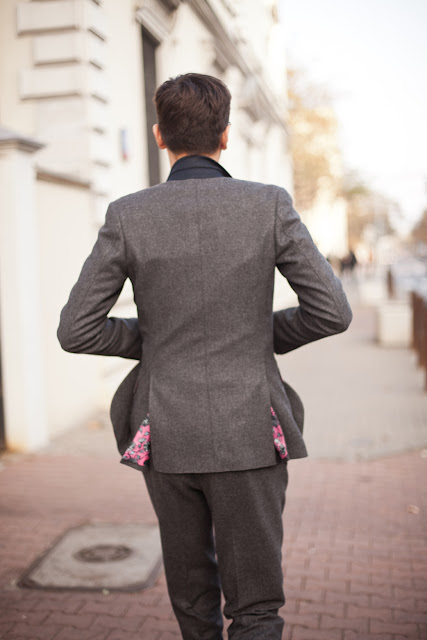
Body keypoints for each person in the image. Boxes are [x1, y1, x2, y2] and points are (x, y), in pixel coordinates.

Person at [57, 72, 352, 639]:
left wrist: (158, 339)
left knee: (193, 601)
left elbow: (77, 330)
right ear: (225, 135)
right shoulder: (268, 204)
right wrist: (251, 335)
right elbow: (331, 312)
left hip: (167, 432)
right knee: (256, 608)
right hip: (251, 428)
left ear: (159, 135)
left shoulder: (128, 214)